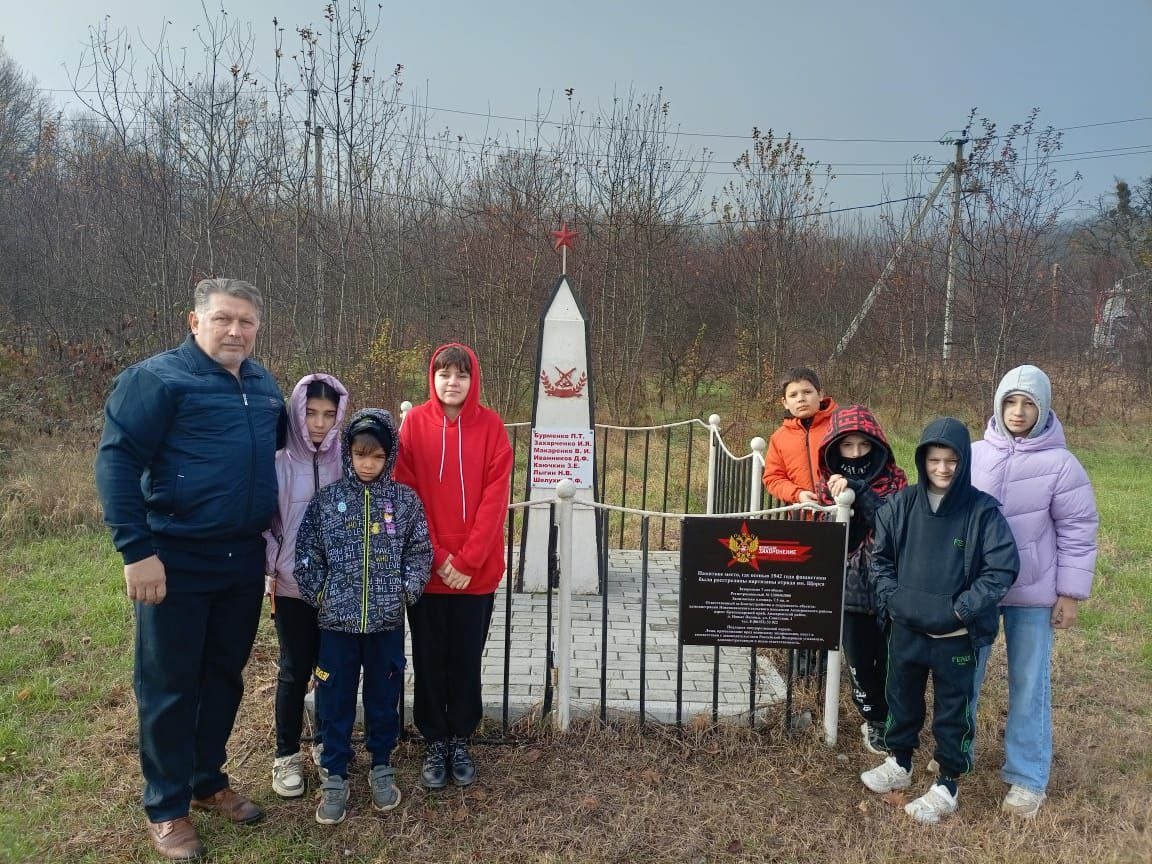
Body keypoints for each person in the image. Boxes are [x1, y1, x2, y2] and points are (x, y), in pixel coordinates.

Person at [95, 278, 286, 861]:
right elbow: (116, 462)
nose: (235, 331)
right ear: (194, 321)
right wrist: (136, 551)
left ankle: (206, 780)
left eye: (246, 321)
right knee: (169, 684)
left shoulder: (263, 385)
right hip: (175, 558)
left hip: (241, 557)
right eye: (223, 318)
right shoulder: (157, 380)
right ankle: (166, 807)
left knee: (223, 676)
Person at [860, 417, 1019, 824]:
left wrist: (961, 610)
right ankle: (899, 760)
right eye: (934, 460)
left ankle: (947, 783)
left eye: (951, 461)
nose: (942, 469)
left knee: (953, 709)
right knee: (901, 696)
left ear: (964, 461)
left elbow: (1000, 569)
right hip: (906, 627)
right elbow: (879, 560)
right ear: (922, 460)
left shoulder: (983, 512)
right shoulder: (901, 505)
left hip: (956, 634)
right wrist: (893, 600)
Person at [971, 365, 1099, 818]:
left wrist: (1070, 594)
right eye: (1010, 401)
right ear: (998, 404)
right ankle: (956, 751)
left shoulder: (1062, 465)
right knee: (963, 675)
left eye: (1029, 404)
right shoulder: (974, 455)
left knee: (1029, 683)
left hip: (1034, 593)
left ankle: (1027, 776)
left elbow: (1079, 530)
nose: (1018, 412)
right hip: (978, 591)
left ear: (1043, 409)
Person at [295, 409, 433, 825]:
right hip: (336, 626)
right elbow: (306, 554)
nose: (367, 464)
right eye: (360, 455)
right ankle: (334, 773)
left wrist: (403, 592)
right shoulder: (327, 502)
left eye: (376, 456)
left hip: (385, 626)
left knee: (382, 697)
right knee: (334, 699)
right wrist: (323, 593)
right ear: (348, 454)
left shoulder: (404, 502)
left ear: (388, 457)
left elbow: (420, 552)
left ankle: (381, 764)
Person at [393, 343, 514, 790]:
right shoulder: (413, 426)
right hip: (429, 571)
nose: (452, 382)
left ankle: (460, 738)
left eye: (461, 375)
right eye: (444, 374)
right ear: (433, 378)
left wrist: (468, 559)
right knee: (428, 659)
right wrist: (440, 557)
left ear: (473, 379)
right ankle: (434, 739)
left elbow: (495, 499)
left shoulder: (492, 427)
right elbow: (407, 494)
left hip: (475, 574)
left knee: (465, 659)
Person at [264, 374, 349, 798]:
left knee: (329, 670)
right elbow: (264, 522)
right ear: (297, 414)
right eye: (311, 413)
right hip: (292, 585)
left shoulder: (343, 461)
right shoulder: (279, 462)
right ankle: (286, 755)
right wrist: (271, 568)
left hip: (336, 587)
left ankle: (324, 744)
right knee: (295, 669)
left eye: (328, 415)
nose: (319, 423)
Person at [816, 405, 907, 756]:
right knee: (859, 660)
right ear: (835, 448)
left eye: (864, 445)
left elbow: (893, 527)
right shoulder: (826, 486)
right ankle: (874, 719)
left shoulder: (897, 482)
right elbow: (830, 541)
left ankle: (895, 715)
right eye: (847, 445)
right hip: (850, 591)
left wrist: (860, 491)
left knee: (890, 659)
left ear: (877, 446)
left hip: (890, 588)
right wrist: (841, 501)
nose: (856, 453)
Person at [762, 366, 840, 506]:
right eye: (793, 395)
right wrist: (798, 494)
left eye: (807, 392)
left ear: (820, 394)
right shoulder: (779, 438)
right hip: (802, 514)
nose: (801, 399)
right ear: (785, 403)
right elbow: (773, 478)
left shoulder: (841, 425)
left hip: (842, 510)